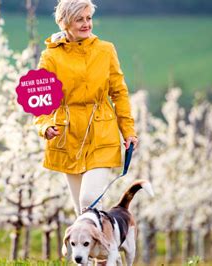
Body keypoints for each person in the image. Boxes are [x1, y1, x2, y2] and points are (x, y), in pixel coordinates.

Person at [34, 0, 138, 216]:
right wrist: (45, 126)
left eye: (88, 18)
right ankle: (103, 249)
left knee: (88, 199)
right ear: (64, 23)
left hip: (101, 133)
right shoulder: (50, 56)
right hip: (67, 137)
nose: (86, 24)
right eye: (79, 19)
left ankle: (105, 247)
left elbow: (119, 92)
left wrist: (128, 131)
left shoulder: (105, 50)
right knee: (82, 211)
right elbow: (40, 98)